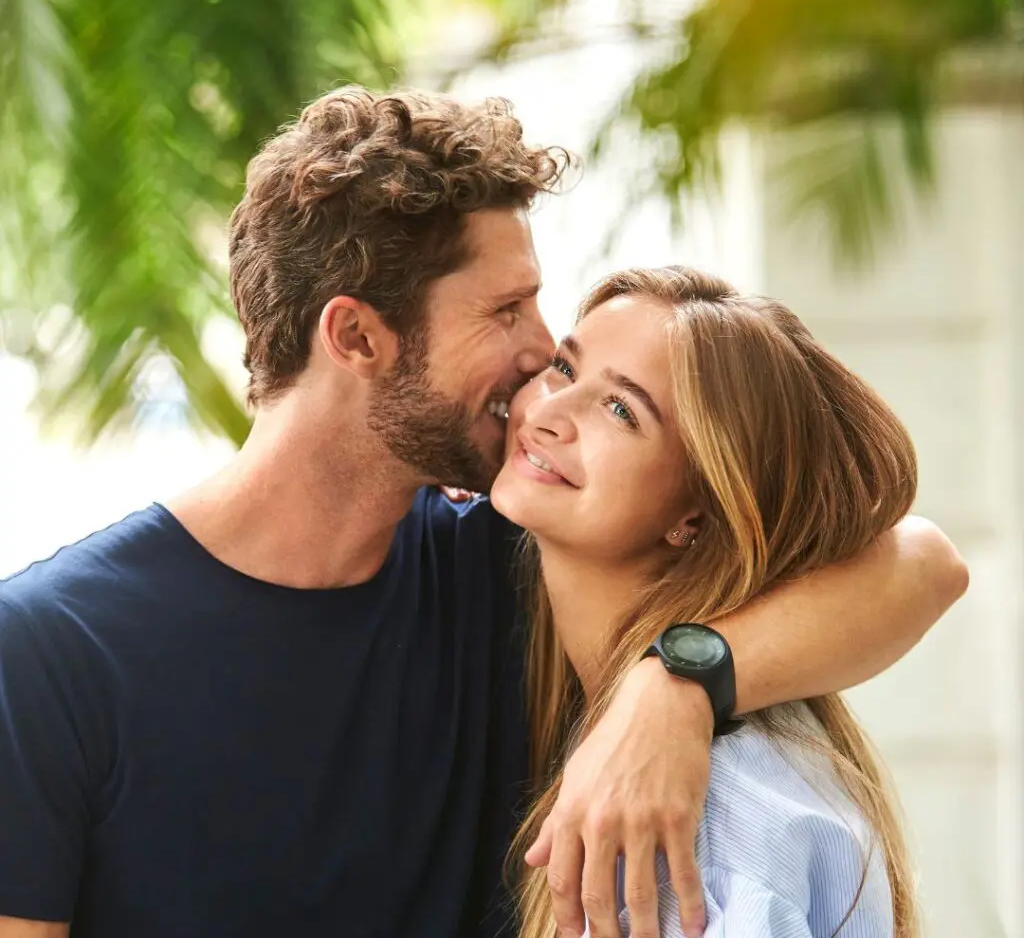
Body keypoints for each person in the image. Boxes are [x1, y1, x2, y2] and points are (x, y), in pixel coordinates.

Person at [0, 89, 966, 938]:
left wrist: (677, 687)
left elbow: (920, 565)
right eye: (506, 312)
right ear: (358, 336)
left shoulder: (506, 564)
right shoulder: (51, 652)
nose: (541, 354)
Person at [491, 266, 928, 938]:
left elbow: (928, 559)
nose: (549, 414)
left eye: (620, 409)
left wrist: (677, 683)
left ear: (694, 515)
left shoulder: (713, 825)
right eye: (564, 368)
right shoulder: (611, 734)